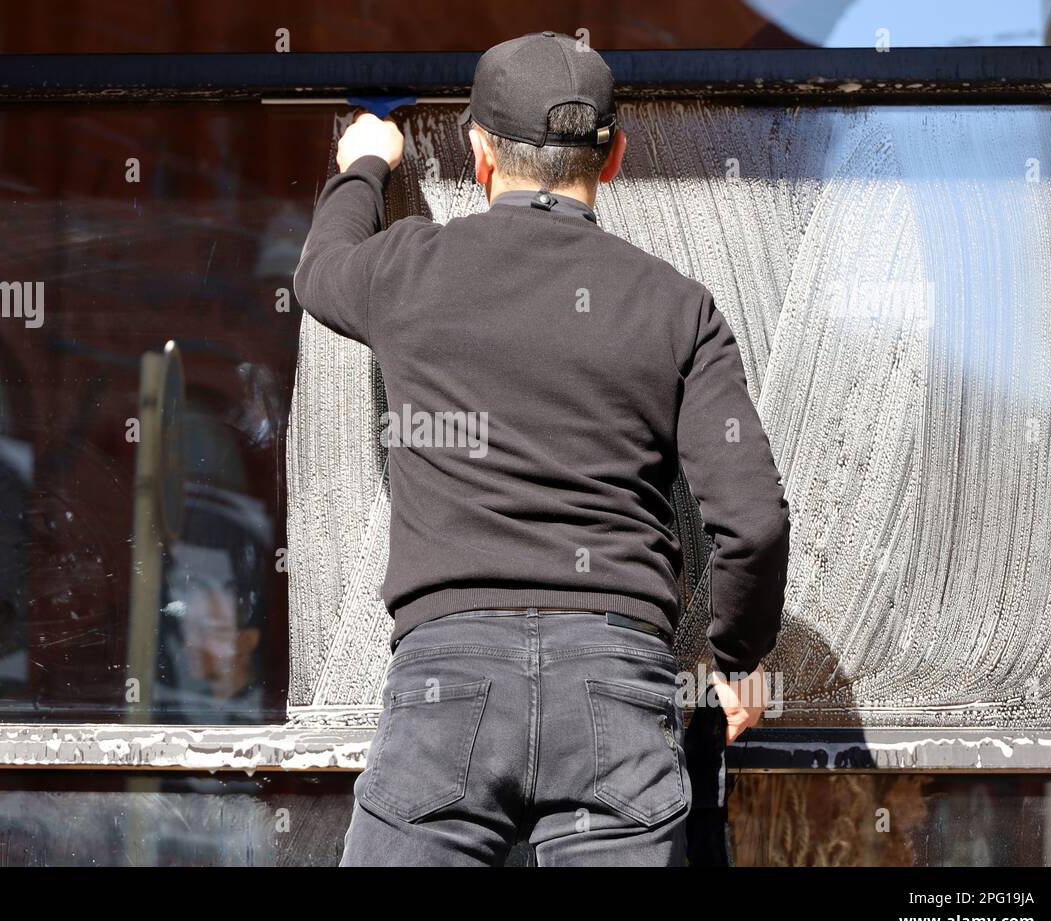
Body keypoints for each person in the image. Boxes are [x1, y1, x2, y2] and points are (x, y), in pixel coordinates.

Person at [294, 31, 790, 866]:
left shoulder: (409, 270)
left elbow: (320, 270)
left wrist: (366, 162)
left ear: (479, 154)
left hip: (445, 685)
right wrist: (738, 657)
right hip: (618, 691)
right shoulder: (677, 307)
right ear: (617, 157)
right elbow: (753, 518)